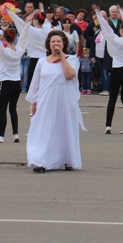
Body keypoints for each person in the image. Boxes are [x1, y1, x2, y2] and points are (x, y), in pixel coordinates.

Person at [25, 29, 84, 172]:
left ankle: (67, 159)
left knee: (65, 130)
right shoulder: (41, 62)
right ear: (48, 45)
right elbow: (35, 84)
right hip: (46, 101)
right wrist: (34, 101)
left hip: (65, 102)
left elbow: (70, 75)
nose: (56, 44)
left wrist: (62, 57)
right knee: (43, 130)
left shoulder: (72, 59)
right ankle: (39, 160)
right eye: (53, 42)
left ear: (63, 44)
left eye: (58, 41)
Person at [93, 5, 123, 135]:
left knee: (112, 99)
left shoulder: (117, 41)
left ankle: (108, 126)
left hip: (117, 70)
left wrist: (98, 14)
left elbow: (107, 29)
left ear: (122, 30)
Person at [0, 24, 22, 143]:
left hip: (7, 83)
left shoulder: (4, 51)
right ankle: (15, 134)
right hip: (17, 83)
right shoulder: (20, 50)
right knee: (13, 108)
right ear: (15, 38)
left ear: (5, 38)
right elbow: (24, 36)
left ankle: (1, 135)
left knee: (2, 109)